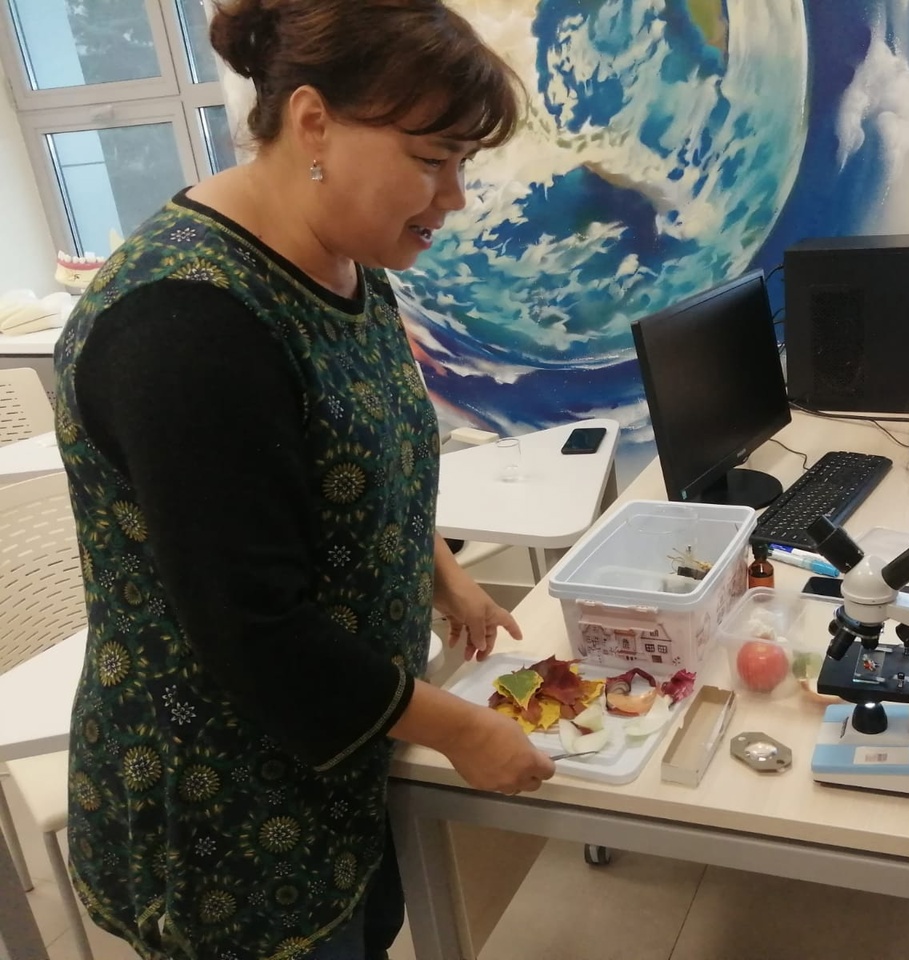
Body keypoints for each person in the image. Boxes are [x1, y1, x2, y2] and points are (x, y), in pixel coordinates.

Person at [51, 2, 556, 958]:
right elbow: (255, 630)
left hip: (340, 743)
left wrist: (443, 574)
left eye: (463, 164)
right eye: (432, 159)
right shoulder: (185, 328)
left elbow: (355, 467)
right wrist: (461, 729)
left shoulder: (345, 259)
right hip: (228, 802)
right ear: (314, 121)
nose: (453, 197)